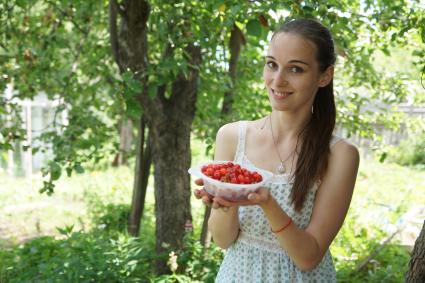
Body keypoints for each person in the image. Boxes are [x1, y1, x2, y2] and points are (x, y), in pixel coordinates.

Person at [194, 18, 360, 282]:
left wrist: (266, 201)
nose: (278, 80)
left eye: (296, 69)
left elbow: (308, 257)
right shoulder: (231, 137)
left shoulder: (340, 155)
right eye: (272, 64)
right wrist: (226, 201)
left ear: (324, 76)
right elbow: (223, 240)